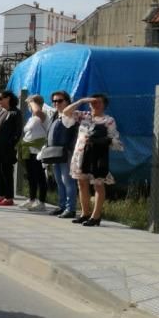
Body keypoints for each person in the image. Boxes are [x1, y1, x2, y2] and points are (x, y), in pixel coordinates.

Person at [62, 94, 123, 227]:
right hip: (81, 154)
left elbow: (114, 139)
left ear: (104, 105)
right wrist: (82, 101)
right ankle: (85, 213)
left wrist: (100, 140)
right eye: (93, 102)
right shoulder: (84, 115)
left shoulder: (108, 120)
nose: (95, 104)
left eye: (98, 102)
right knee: (82, 183)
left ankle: (96, 216)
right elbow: (65, 112)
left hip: (97, 155)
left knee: (98, 184)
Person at [41, 91, 79, 219]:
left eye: (60, 100)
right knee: (59, 181)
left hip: (66, 153)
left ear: (67, 102)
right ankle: (62, 205)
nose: (56, 103)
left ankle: (70, 208)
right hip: (55, 153)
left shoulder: (70, 115)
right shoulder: (56, 115)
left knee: (67, 181)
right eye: (54, 101)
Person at [0, 91, 23, 206]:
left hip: (6, 148)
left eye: (0, 98)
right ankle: (1, 194)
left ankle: (9, 197)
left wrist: (10, 144)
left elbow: (18, 132)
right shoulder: (0, 111)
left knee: (7, 172)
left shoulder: (15, 113)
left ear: (8, 98)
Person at [21, 95, 50, 212]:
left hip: (39, 151)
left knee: (40, 176)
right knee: (31, 175)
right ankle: (32, 198)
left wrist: (31, 101)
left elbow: (37, 110)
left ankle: (42, 202)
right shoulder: (32, 118)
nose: (29, 107)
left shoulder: (43, 115)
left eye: (30, 105)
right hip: (28, 149)